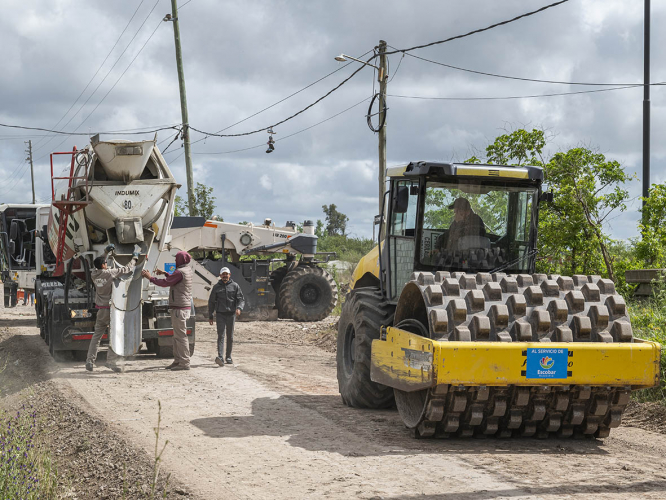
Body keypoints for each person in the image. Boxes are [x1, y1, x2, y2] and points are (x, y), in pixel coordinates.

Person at [86, 244, 139, 372]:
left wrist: (105, 252)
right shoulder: (109, 273)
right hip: (111, 311)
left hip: (100, 311)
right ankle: (111, 361)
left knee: (96, 337)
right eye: (105, 262)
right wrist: (135, 258)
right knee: (114, 336)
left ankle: (89, 361)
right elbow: (127, 269)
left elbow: (98, 263)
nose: (107, 263)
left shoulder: (94, 274)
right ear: (104, 265)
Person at [141, 251, 193, 371]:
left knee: (180, 337)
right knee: (177, 336)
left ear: (180, 260)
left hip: (179, 309)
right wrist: (165, 273)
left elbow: (165, 283)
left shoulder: (180, 272)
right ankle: (178, 360)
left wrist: (150, 278)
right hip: (182, 307)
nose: (175, 261)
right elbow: (175, 280)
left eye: (176, 259)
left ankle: (184, 362)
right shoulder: (186, 270)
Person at [208, 267, 244, 367]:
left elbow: (241, 299)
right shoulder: (216, 287)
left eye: (226, 274)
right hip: (220, 314)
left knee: (230, 336)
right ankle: (220, 357)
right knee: (221, 336)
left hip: (231, 314)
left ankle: (228, 357)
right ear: (220, 276)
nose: (225, 276)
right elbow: (211, 302)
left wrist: (239, 308)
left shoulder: (235, 286)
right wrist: (210, 316)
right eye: (223, 274)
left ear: (229, 275)